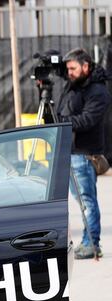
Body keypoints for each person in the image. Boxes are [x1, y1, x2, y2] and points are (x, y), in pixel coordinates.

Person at [57, 48, 111, 259]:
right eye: (67, 68)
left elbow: (87, 120)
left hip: (84, 153)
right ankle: (87, 240)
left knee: (87, 200)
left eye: (72, 68)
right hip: (71, 152)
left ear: (86, 67)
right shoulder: (77, 84)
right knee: (81, 202)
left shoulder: (98, 91)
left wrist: (62, 123)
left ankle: (92, 243)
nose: (68, 72)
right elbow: (66, 72)